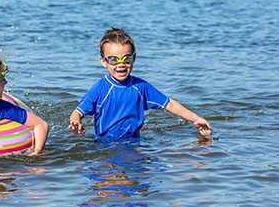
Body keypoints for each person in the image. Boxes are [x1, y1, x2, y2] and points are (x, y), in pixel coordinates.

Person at [69, 28, 211, 139]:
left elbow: (169, 104)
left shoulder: (141, 87)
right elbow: (78, 112)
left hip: (134, 141)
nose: (121, 64)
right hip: (104, 142)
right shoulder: (100, 88)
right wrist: (76, 123)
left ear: (134, 58)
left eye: (126, 58)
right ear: (103, 61)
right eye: (113, 60)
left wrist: (196, 119)